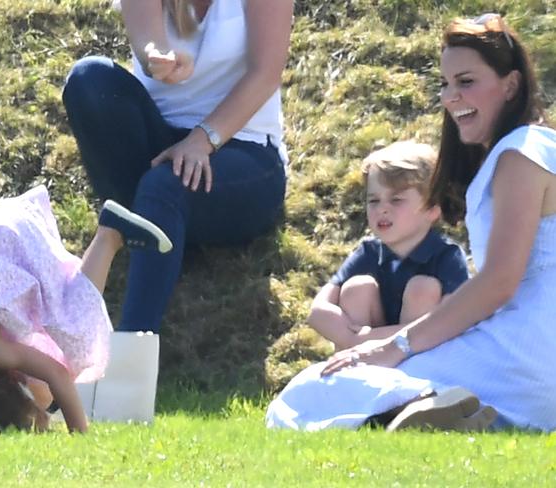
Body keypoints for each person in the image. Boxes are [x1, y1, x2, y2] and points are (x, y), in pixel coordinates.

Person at [267, 13, 556, 432]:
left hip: (528, 352)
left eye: (466, 81)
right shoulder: (535, 148)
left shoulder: (521, 153)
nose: (451, 96)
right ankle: (439, 414)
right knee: (330, 382)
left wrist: (396, 345)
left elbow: (498, 282)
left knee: (307, 391)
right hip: (532, 354)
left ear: (510, 84)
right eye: (445, 84)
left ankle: (432, 406)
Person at [61, 0, 294, 419]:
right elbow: (148, 42)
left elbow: (265, 73)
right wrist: (158, 61)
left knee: (166, 183)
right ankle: (58, 358)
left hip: (245, 154)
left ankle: (123, 376)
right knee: (89, 78)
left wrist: (202, 140)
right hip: (159, 148)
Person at [0, 185, 172, 431]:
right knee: (50, 330)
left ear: (9, 386)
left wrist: (80, 433)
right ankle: (109, 235)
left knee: (73, 335)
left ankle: (110, 235)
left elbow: (56, 374)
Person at [308, 141, 469, 351]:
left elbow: (452, 323)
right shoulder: (369, 252)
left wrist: (368, 339)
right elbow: (318, 312)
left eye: (396, 200)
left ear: (432, 209)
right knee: (357, 287)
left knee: (423, 287)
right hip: (362, 356)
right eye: (373, 201)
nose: (382, 209)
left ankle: (409, 376)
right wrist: (351, 340)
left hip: (423, 360)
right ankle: (351, 376)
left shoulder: (447, 257)